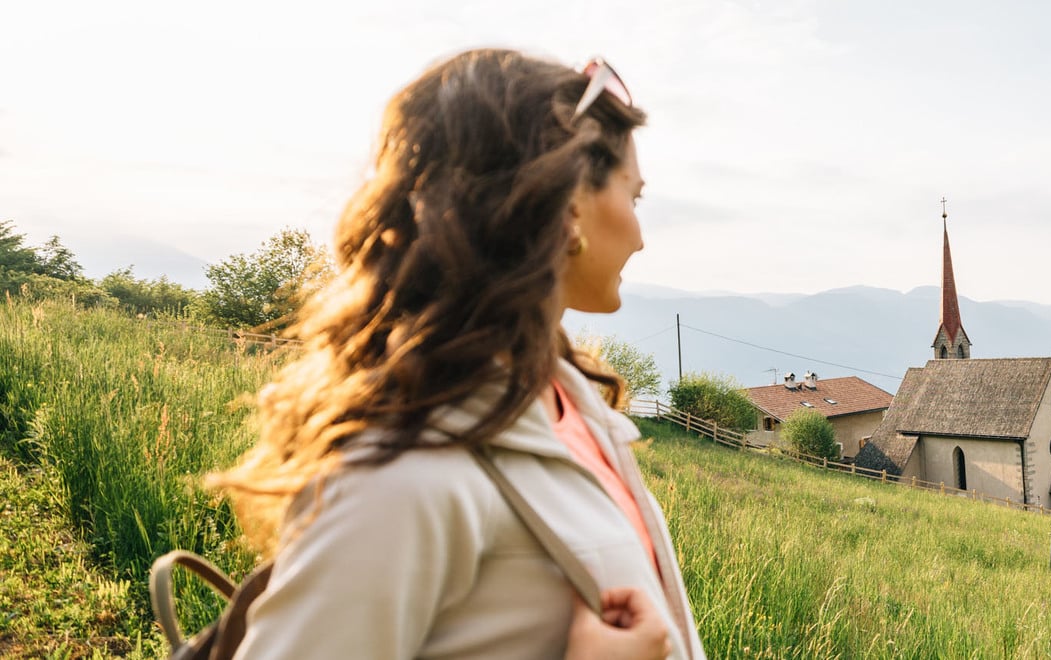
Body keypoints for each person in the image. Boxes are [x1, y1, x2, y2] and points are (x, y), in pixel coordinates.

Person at [209, 48, 704, 659]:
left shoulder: (564, 405)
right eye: (636, 197)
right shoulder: (403, 479)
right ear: (572, 202)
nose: (640, 234)